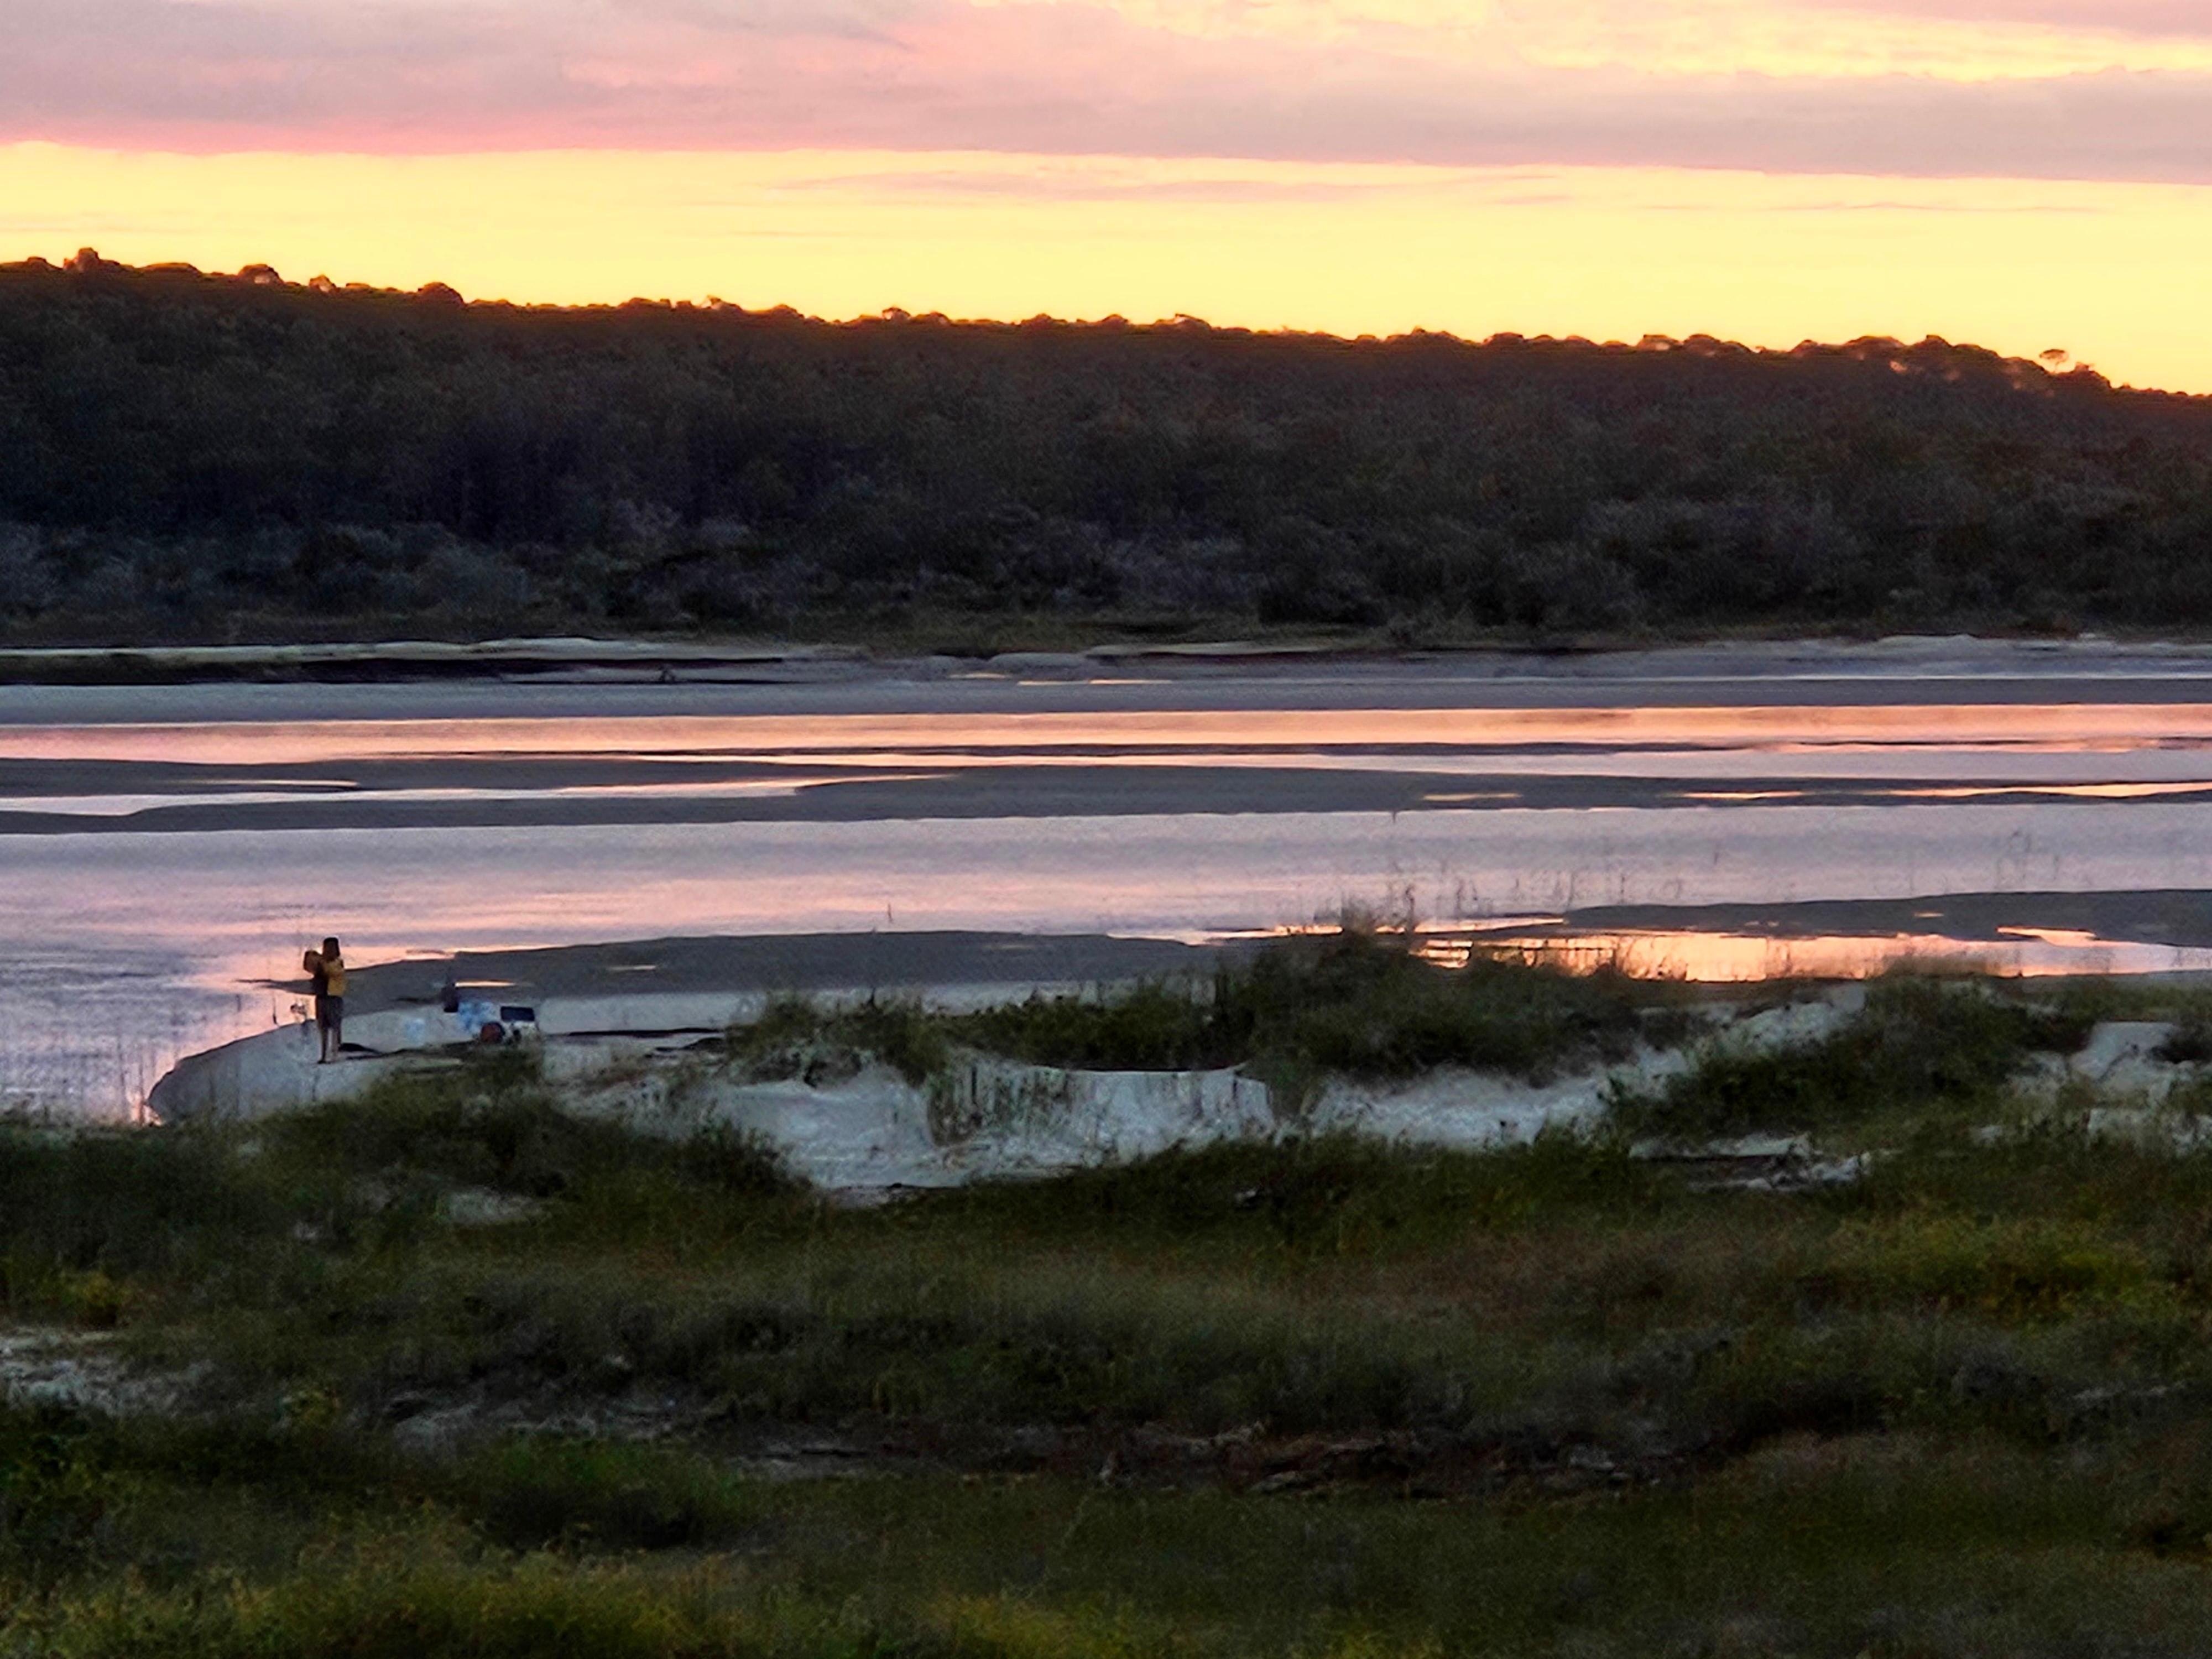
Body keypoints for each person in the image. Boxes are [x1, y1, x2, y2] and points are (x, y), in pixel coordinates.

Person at [304, 937, 348, 1062]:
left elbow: (331, 971)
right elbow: (308, 968)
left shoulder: (338, 963)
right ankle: (323, 1055)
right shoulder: (321, 962)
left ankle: (334, 1053)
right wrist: (309, 957)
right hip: (322, 997)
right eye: (327, 947)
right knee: (322, 1028)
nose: (329, 950)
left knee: (335, 1027)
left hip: (334, 997)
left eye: (332, 948)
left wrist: (319, 962)